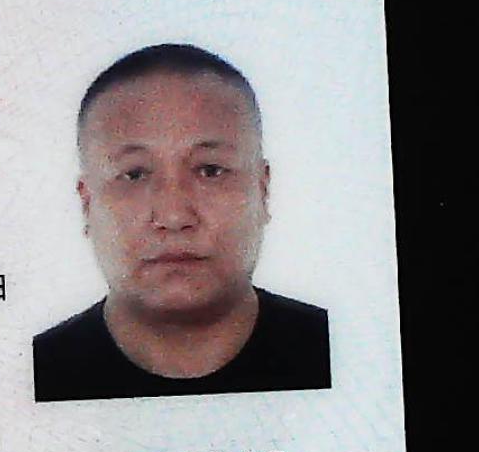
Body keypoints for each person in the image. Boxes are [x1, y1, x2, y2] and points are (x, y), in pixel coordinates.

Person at [31, 42, 331, 400]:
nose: (173, 217)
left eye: (210, 170)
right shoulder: (32, 376)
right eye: (135, 174)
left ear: (262, 190)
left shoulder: (345, 351)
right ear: (86, 203)